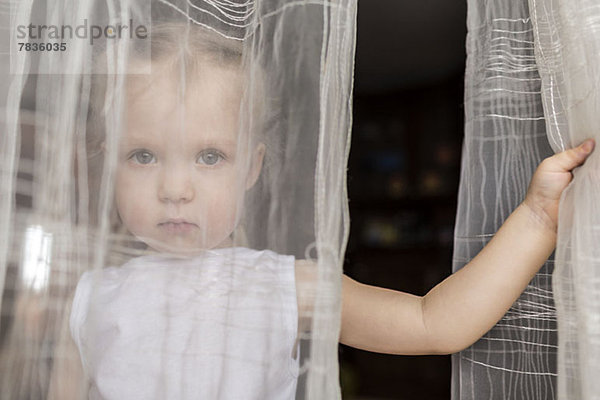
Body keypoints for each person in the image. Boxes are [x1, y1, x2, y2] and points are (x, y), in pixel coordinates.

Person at [49, 22, 595, 399]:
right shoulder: (87, 299)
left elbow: (435, 324)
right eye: (143, 155)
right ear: (106, 165)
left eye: (209, 156)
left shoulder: (284, 285)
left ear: (253, 169)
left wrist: (535, 221)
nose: (174, 187)